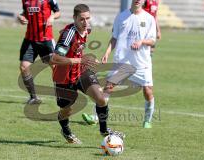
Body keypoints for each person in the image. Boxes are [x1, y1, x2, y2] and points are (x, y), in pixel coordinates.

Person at [53, 4, 125, 144]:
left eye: (88, 19)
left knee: (102, 99)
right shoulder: (68, 35)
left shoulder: (86, 29)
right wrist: (81, 59)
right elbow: (54, 58)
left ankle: (104, 130)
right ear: (74, 18)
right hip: (64, 78)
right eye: (82, 19)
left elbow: (82, 34)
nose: (86, 23)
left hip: (81, 71)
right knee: (66, 111)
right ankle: (66, 129)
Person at [82, 0, 157, 129]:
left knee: (147, 91)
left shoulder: (149, 18)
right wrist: (107, 52)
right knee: (108, 87)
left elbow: (152, 41)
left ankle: (147, 119)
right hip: (122, 61)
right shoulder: (121, 16)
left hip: (141, 63)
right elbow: (114, 37)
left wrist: (141, 42)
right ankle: (95, 117)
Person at [17, 0, 61, 104]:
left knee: (55, 67)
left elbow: (58, 12)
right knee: (24, 67)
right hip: (30, 40)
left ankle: (61, 94)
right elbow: (25, 13)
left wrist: (52, 17)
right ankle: (33, 97)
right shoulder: (25, 0)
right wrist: (21, 17)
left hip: (46, 40)